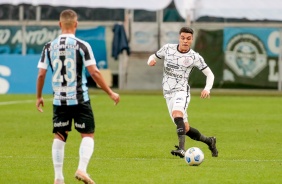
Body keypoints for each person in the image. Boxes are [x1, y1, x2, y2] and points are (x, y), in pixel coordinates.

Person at [36, 9, 120, 184]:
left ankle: (58, 178)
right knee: (87, 135)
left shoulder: (48, 46)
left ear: (60, 24)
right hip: (80, 98)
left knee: (60, 135)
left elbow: (41, 75)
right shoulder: (82, 45)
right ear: (76, 24)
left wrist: (38, 97)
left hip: (59, 100)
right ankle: (81, 169)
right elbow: (95, 73)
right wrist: (110, 92)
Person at [147, 27, 218, 158]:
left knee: (177, 114)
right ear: (179, 38)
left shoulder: (194, 57)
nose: (185, 41)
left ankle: (182, 149)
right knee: (185, 128)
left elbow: (210, 74)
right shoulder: (168, 49)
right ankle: (210, 141)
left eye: (188, 39)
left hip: (181, 91)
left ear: (192, 40)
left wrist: (207, 88)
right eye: (183, 38)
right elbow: (154, 56)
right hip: (168, 93)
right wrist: (151, 60)